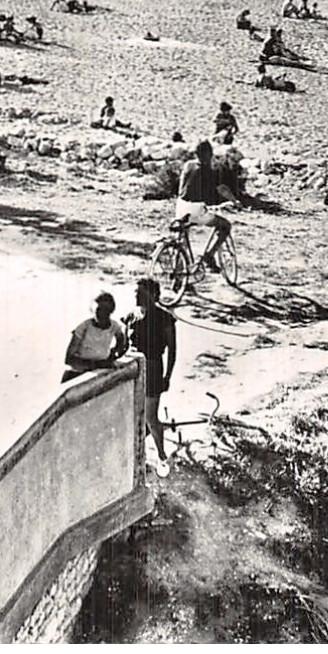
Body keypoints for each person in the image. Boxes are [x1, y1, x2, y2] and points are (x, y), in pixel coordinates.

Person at [131, 278, 178, 474]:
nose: (137, 296)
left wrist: (168, 376)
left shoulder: (165, 318)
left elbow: (172, 350)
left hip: (152, 368)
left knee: (150, 416)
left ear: (154, 296)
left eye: (141, 293)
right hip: (133, 370)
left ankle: (161, 455)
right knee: (135, 417)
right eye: (136, 293)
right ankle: (138, 456)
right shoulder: (132, 317)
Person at [176, 139, 233, 266]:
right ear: (209, 154)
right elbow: (221, 189)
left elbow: (183, 188)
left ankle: (180, 267)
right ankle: (209, 255)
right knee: (225, 226)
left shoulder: (188, 165)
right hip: (195, 210)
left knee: (183, 236)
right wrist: (233, 200)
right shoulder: (207, 171)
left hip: (180, 207)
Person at [62, 292, 128, 382]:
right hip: (77, 374)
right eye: (99, 310)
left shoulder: (114, 327)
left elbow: (122, 343)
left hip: (99, 372)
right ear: (93, 310)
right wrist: (95, 364)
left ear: (111, 311)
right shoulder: (84, 327)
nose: (102, 314)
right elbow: (69, 359)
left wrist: (113, 355)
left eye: (106, 310)